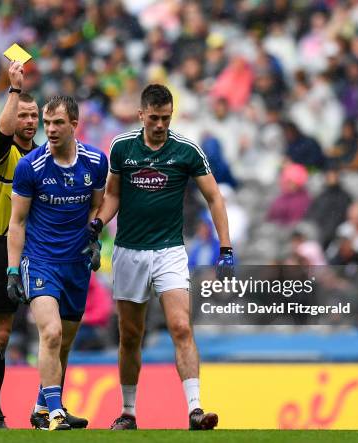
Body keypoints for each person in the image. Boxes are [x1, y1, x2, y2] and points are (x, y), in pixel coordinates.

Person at [89, 84, 234, 430]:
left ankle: (196, 410)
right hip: (128, 252)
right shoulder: (122, 147)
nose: (160, 124)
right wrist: (96, 223)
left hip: (169, 250)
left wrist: (225, 247)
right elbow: (112, 195)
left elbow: (214, 197)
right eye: (154, 118)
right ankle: (128, 412)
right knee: (130, 335)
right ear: (141, 115)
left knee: (181, 326)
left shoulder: (186, 150)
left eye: (166, 118)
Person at [6, 95, 108, 431]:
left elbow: (97, 208)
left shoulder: (95, 162)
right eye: (46, 123)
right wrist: (11, 270)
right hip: (41, 261)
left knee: (62, 342)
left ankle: (42, 409)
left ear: (74, 125)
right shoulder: (30, 167)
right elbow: (17, 222)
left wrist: (95, 240)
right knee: (50, 333)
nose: (49, 129)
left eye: (57, 123)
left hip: (75, 265)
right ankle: (56, 415)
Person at [0, 60, 39, 429]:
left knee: (53, 330)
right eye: (23, 115)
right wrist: (14, 90)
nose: (29, 121)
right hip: (0, 246)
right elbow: (2, 132)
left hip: (39, 249)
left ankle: (48, 409)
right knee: (0, 333)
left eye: (34, 115)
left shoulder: (43, 157)